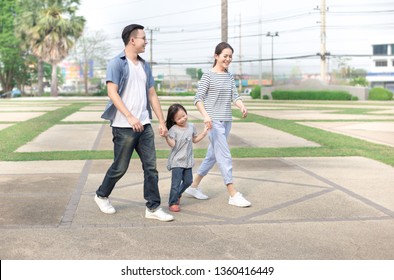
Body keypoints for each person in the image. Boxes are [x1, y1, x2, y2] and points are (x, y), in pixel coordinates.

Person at [94, 24, 174, 222]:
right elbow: (112, 92)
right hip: (123, 127)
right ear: (132, 40)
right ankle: (101, 195)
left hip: (144, 125)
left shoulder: (145, 66)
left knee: (151, 167)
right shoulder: (117, 63)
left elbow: (152, 94)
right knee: (120, 167)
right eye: (143, 38)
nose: (146, 41)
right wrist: (129, 116)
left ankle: (153, 207)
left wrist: (162, 122)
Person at [185, 42, 251, 207]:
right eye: (225, 56)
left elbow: (234, 96)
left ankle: (193, 186)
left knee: (212, 155)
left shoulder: (229, 76)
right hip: (213, 122)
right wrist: (206, 116)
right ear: (216, 56)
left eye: (230, 56)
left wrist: (241, 105)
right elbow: (198, 99)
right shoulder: (208, 75)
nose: (228, 59)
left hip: (227, 120)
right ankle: (232, 193)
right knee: (224, 155)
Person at [164, 104, 209, 212]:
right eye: (179, 118)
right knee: (175, 183)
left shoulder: (191, 126)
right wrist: (166, 136)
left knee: (188, 181)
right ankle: (173, 202)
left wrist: (204, 133)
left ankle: (178, 194)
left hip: (187, 160)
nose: (183, 119)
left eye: (184, 115)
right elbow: (172, 144)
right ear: (173, 120)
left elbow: (195, 139)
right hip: (177, 161)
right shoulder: (173, 130)